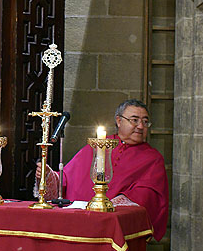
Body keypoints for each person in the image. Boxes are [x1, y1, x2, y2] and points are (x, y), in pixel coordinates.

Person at [36, 99, 169, 241]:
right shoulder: (97, 146)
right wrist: (47, 176)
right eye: (135, 120)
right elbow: (67, 178)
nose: (141, 126)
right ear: (119, 121)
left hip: (114, 230)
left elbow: (147, 195)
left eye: (145, 121)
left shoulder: (152, 158)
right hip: (76, 224)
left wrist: (109, 207)